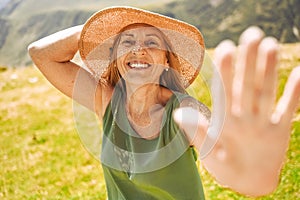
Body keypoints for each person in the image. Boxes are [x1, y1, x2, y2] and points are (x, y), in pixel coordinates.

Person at [28, 6, 300, 200]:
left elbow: (217, 152)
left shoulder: (185, 111)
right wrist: (94, 31)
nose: (139, 49)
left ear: (168, 61)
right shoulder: (108, 101)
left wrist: (248, 176)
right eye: (128, 42)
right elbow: (41, 54)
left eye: (152, 42)